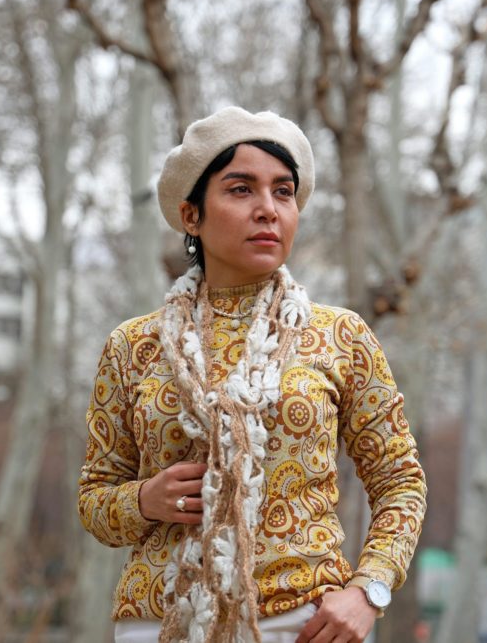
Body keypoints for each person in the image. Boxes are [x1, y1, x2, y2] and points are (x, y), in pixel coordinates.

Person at [79, 107, 427, 643]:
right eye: (241, 190)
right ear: (191, 215)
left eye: (283, 192)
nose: (268, 209)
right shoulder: (133, 346)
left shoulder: (341, 336)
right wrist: (143, 499)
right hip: (164, 622)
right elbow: (95, 498)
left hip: (305, 624)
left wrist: (367, 591)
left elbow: (400, 482)